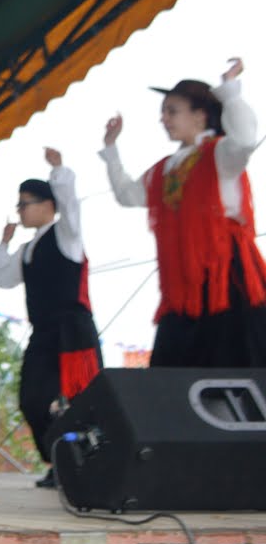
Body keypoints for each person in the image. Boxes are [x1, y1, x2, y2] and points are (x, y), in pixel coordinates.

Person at [100, 59, 266, 366]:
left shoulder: (219, 153)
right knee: (175, 369)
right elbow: (127, 195)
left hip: (225, 275)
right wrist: (111, 149)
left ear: (200, 116)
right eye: (163, 112)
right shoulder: (165, 169)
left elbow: (245, 140)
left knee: (238, 363)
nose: (163, 119)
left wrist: (229, 89)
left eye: (172, 111)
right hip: (181, 286)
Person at [0, 150, 102, 487]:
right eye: (20, 204)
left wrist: (58, 171)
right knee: (33, 399)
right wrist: (4, 244)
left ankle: (86, 463)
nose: (20, 210)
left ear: (46, 205)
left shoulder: (67, 237)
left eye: (25, 203)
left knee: (81, 400)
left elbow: (71, 207)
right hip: (43, 333)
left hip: (73, 331)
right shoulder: (26, 249)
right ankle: (58, 458)